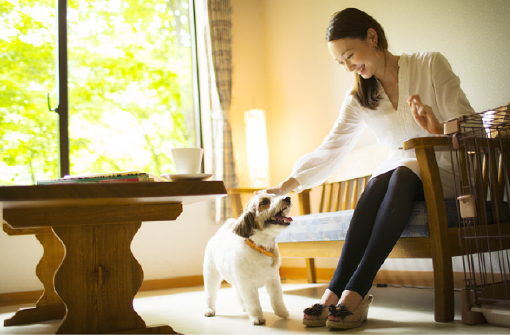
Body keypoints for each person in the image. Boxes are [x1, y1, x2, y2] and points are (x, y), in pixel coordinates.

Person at [262, 7, 474, 330]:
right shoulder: (360, 97)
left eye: (349, 55)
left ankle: (357, 292)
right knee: (380, 181)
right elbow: (331, 148)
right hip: (397, 183)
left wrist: (438, 126)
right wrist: (288, 184)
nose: (349, 67)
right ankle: (335, 292)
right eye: (341, 62)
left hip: (441, 170)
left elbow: (471, 128)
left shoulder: (430, 64)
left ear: (372, 37)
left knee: (401, 172)